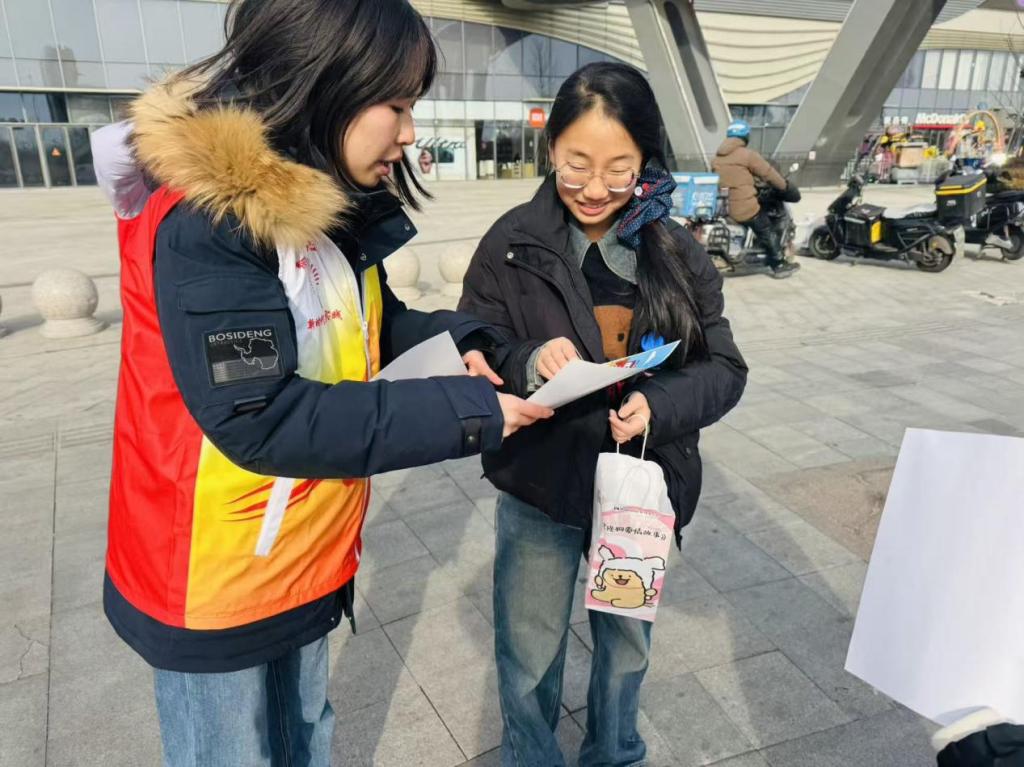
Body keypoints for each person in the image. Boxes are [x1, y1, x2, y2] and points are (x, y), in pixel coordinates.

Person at [91, 1, 552, 765]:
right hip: (212, 577)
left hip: (298, 554)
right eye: (396, 105)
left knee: (306, 738)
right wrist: (473, 411)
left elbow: (369, 321)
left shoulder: (315, 199)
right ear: (323, 82)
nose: (409, 133)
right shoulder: (211, 222)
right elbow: (262, 415)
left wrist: (469, 346)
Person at [459, 62, 748, 766]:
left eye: (619, 169)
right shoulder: (510, 242)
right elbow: (475, 335)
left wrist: (659, 402)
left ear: (645, 159)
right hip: (540, 478)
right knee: (527, 649)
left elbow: (724, 367)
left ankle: (614, 753)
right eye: (576, 164)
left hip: (638, 488)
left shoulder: (674, 249)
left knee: (625, 646)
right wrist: (528, 359)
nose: (595, 188)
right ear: (550, 147)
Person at [712, 120, 800, 278]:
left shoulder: (717, 158)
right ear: (745, 137)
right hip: (743, 206)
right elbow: (768, 173)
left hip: (724, 207)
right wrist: (785, 186)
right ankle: (779, 264)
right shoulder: (747, 155)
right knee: (766, 228)